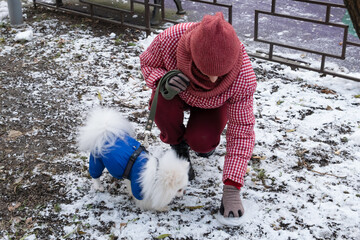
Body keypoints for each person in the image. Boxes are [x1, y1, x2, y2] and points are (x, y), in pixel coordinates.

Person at [139, 12, 257, 218]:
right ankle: (178, 146)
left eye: (220, 74)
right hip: (177, 95)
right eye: (205, 72)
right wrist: (161, 80)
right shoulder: (171, 39)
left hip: (214, 105)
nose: (212, 80)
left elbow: (242, 130)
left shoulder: (243, 75)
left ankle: (203, 144)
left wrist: (232, 186)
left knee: (202, 141)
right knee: (161, 103)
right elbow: (147, 63)